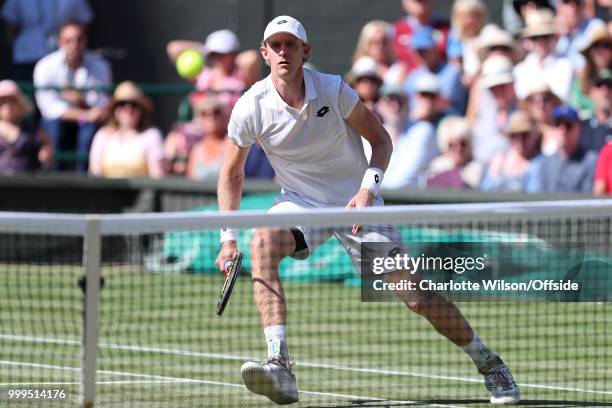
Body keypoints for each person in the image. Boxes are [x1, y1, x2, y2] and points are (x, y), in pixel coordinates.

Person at [216, 15, 520, 406]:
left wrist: (366, 190)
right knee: (262, 244)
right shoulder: (250, 106)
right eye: (274, 45)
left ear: (305, 51)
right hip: (300, 203)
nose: (282, 52)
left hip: (355, 200)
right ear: (264, 53)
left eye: (290, 44)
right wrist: (227, 239)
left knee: (414, 296)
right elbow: (231, 172)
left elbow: (381, 140)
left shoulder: (333, 90)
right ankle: (279, 364)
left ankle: (489, 363)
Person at [33, 21, 112, 172]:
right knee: (53, 127)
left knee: (89, 131)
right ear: (60, 41)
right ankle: (55, 181)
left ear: (85, 41)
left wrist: (79, 100)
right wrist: (85, 113)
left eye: (79, 39)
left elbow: (102, 104)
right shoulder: (45, 66)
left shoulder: (101, 66)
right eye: (69, 40)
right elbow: (49, 109)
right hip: (59, 121)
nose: (74, 44)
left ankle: (81, 181)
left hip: (87, 121)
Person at [1, 0, 93, 81]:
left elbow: (83, 21)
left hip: (62, 57)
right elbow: (10, 25)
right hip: (26, 58)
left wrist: (71, 43)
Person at [88, 81, 163, 179]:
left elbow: (157, 176)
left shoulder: (151, 135)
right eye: (122, 104)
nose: (128, 109)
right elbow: (95, 174)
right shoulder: (102, 136)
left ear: (141, 110)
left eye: (134, 104)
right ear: (115, 109)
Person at [384, 73, 442, 189]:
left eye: (400, 102)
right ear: (380, 105)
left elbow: (406, 178)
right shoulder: (371, 135)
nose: (395, 106)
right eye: (390, 101)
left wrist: (373, 190)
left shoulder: (423, 130)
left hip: (409, 203)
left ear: (408, 105)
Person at [166, 29, 245, 113]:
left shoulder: (242, 76)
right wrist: (205, 49)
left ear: (233, 54)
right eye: (213, 54)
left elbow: (251, 59)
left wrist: (238, 59)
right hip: (200, 125)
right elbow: (173, 48)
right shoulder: (204, 74)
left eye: (222, 54)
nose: (217, 58)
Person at [533, 105, 598, 193]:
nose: (562, 129)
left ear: (579, 128)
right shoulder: (545, 162)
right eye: (557, 124)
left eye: (568, 125)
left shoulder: (591, 161)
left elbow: (587, 200)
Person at [403, 26, 467, 115]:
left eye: (425, 50)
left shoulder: (452, 73)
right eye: (418, 51)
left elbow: (444, 104)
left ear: (435, 49)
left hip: (448, 122)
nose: (422, 54)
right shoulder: (412, 78)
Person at [513, 9, 574, 101]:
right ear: (529, 41)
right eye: (535, 38)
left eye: (545, 37)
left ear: (553, 38)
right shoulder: (519, 71)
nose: (541, 42)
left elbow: (562, 97)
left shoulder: (565, 65)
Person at [480, 110, 543, 192]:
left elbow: (535, 194)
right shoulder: (499, 159)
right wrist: (494, 175)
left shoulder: (539, 163)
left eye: (524, 135)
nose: (520, 141)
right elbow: (485, 190)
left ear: (534, 137)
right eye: (514, 136)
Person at [0, 80, 52, 174]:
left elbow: (47, 147)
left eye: (12, 101)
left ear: (20, 104)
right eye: (3, 102)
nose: (8, 106)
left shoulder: (33, 130)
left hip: (27, 185)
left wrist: (45, 153)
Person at [471, 55, 516, 164]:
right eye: (493, 89)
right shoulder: (484, 113)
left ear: (512, 85)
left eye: (502, 87)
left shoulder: (523, 114)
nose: (498, 92)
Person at [391, 0, 450, 73]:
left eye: (422, 1)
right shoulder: (395, 30)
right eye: (416, 1)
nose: (420, 3)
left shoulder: (447, 28)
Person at [425, 115, 483, 189]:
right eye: (452, 145)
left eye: (463, 144)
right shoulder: (436, 167)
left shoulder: (479, 169)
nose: (458, 149)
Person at [185, 96, 228, 182]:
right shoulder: (196, 149)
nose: (211, 116)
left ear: (224, 117)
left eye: (216, 112)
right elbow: (189, 180)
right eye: (204, 113)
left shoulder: (231, 144)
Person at [352, 20, 407, 85]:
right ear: (366, 44)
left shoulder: (398, 68)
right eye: (375, 42)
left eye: (384, 42)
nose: (380, 47)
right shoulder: (363, 64)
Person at [555, 0, 605, 70]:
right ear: (558, 7)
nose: (573, 7)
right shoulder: (556, 35)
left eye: (577, 2)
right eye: (566, 1)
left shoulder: (596, 27)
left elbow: (600, 65)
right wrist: (556, 37)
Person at [579, 68, 612, 152]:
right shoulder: (579, 125)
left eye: (610, 86)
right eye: (599, 85)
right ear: (591, 92)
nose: (605, 91)